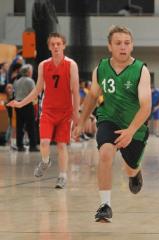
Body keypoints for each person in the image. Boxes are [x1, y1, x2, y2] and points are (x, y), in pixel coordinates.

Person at [73, 25, 151, 223]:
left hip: (135, 127)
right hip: (108, 119)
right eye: (118, 43)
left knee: (130, 168)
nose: (123, 47)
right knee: (105, 153)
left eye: (126, 43)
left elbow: (146, 107)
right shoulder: (101, 68)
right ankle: (105, 205)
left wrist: (131, 131)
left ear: (132, 46)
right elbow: (92, 96)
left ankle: (135, 173)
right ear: (110, 46)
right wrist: (81, 122)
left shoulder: (141, 70)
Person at [7, 32, 80, 189]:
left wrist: (76, 114)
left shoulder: (71, 65)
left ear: (63, 45)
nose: (55, 47)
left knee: (61, 145)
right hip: (47, 111)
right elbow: (38, 89)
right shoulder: (43, 65)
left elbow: (75, 90)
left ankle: (62, 176)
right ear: (49, 47)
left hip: (65, 112)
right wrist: (20, 103)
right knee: (44, 142)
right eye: (52, 44)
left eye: (58, 44)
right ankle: (45, 162)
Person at [13, 64, 39, 152]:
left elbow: (14, 93)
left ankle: (19, 145)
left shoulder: (16, 81)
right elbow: (34, 93)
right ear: (28, 72)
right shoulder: (30, 81)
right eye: (30, 71)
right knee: (31, 125)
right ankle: (33, 146)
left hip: (18, 104)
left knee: (19, 126)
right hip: (27, 105)